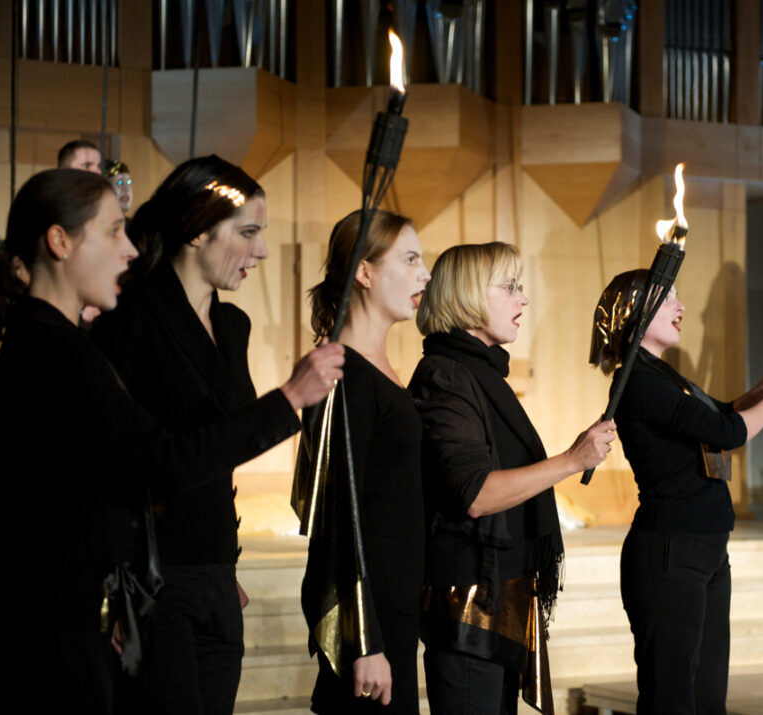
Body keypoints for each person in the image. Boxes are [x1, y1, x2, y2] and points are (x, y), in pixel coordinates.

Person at [0, 169, 342, 712]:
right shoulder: (57, 347)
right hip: (49, 629)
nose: (129, 249)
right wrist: (288, 398)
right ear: (60, 241)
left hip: (76, 611)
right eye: (113, 231)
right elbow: (156, 461)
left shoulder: (54, 341)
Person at [90, 155, 326, 713]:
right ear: (197, 231)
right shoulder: (128, 318)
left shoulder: (232, 324)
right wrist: (115, 589)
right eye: (247, 233)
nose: (261, 251)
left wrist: (222, 568)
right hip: (152, 580)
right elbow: (114, 468)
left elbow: (222, 448)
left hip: (215, 577)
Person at [408, 242, 616, 714]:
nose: (523, 298)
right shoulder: (445, 374)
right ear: (466, 295)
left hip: (498, 600)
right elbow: (475, 494)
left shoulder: (482, 374)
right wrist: (572, 459)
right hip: (467, 605)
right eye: (509, 287)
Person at [591, 270, 763, 714]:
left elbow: (719, 415)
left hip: (705, 549)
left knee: (707, 699)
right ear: (634, 312)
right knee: (671, 700)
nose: (680, 305)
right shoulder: (638, 381)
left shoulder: (662, 374)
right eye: (667, 297)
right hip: (671, 550)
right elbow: (727, 433)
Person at [293, 208, 430, 713]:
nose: (425, 274)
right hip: (368, 621)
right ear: (365, 272)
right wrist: (364, 641)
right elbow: (337, 520)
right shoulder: (344, 374)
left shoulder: (380, 370)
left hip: (394, 605)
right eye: (410, 259)